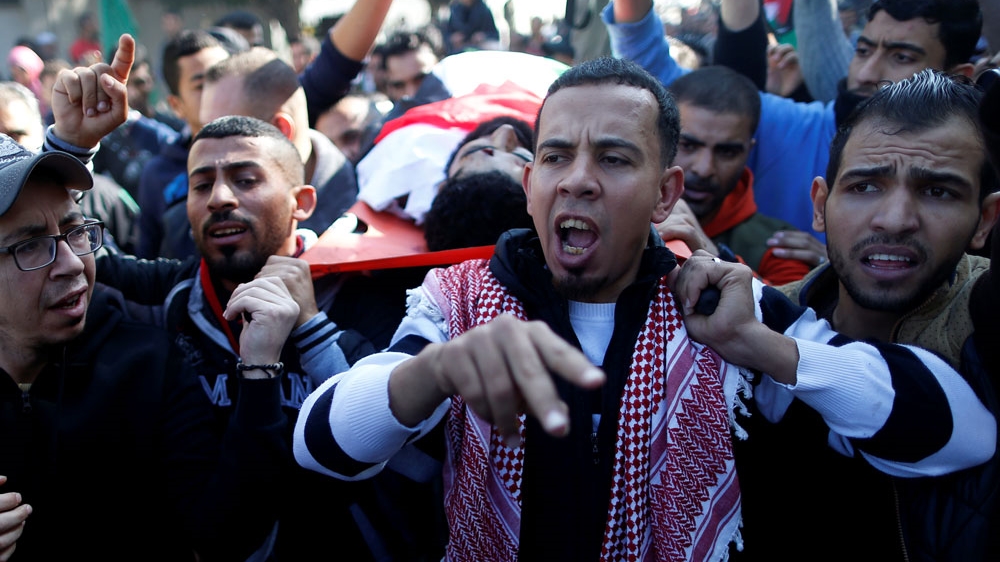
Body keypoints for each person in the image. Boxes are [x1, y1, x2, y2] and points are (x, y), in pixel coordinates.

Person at [293, 57, 994, 561]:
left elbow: (961, 438)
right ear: (531, 184)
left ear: (667, 194)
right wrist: (437, 371)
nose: (580, 181)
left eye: (615, 159)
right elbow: (319, 448)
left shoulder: (725, 307)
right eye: (558, 157)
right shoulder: (456, 301)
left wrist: (762, 346)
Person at [0, 35, 290, 560]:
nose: (70, 263)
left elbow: (226, 536)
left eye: (74, 232)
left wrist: (260, 376)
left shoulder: (151, 363)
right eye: (28, 246)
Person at [722, 69, 1000, 561]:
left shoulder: (984, 327)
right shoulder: (744, 320)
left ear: (985, 221)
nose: (894, 220)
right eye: (866, 186)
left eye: (939, 191)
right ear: (820, 205)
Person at [603, 0, 982, 240]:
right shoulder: (782, 125)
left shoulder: (980, 165)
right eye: (862, 49)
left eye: (902, 57)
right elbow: (652, 75)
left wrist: (829, 278)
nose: (868, 72)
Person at [654, 65, 813, 284]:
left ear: (749, 151)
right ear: (661, 140)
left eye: (726, 152)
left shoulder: (779, 246)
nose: (704, 168)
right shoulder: (618, 212)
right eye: (688, 145)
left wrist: (714, 257)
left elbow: (793, 315)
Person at [198, 47, 357, 236]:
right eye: (204, 131)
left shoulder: (369, 208)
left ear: (280, 131)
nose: (206, 149)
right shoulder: (192, 218)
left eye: (225, 134)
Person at [136, 29, 230, 259]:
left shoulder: (267, 151)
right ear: (176, 105)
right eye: (201, 85)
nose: (220, 90)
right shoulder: (158, 176)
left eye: (225, 76)